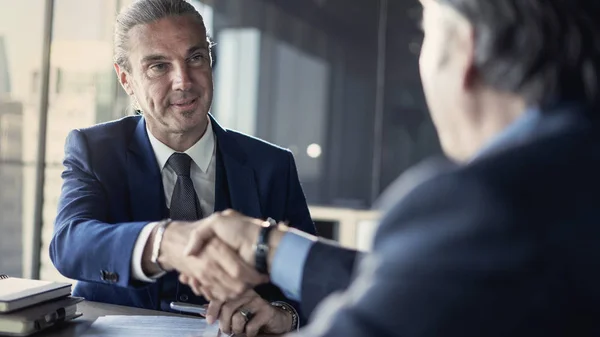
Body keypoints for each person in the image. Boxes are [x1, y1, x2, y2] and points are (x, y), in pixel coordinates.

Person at [174, 0, 600, 336]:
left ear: (466, 49)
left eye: (425, 35)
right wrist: (270, 246)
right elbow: (426, 282)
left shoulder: (484, 204)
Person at [49, 0, 316, 335]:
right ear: (126, 80)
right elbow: (70, 243)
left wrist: (283, 314)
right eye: (158, 66)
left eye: (195, 58)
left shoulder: (273, 165)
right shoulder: (95, 150)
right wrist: (163, 242)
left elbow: (316, 281)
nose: (183, 81)